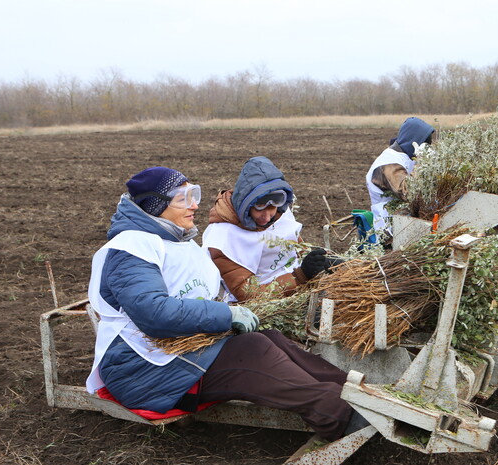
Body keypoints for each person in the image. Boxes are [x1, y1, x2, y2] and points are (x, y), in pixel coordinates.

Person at [86, 166, 365, 440]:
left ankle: (353, 392)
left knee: (265, 338)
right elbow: (154, 312)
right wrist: (225, 314)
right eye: (183, 199)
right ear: (155, 206)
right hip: (144, 372)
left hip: (180, 353)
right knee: (253, 355)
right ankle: (340, 415)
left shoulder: (175, 240)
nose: (194, 205)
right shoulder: (130, 249)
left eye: (194, 194)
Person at [203, 156, 332, 302]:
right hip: (261, 308)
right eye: (259, 208)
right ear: (246, 204)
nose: (267, 216)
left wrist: (315, 262)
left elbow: (296, 247)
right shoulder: (223, 238)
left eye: (273, 206)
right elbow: (248, 295)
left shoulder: (279, 214)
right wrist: (300, 276)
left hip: (296, 290)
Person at [365, 116, 435, 232]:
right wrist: (423, 162)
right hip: (389, 230)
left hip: (405, 223)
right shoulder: (387, 165)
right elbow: (409, 192)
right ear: (413, 141)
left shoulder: (405, 157)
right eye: (425, 143)